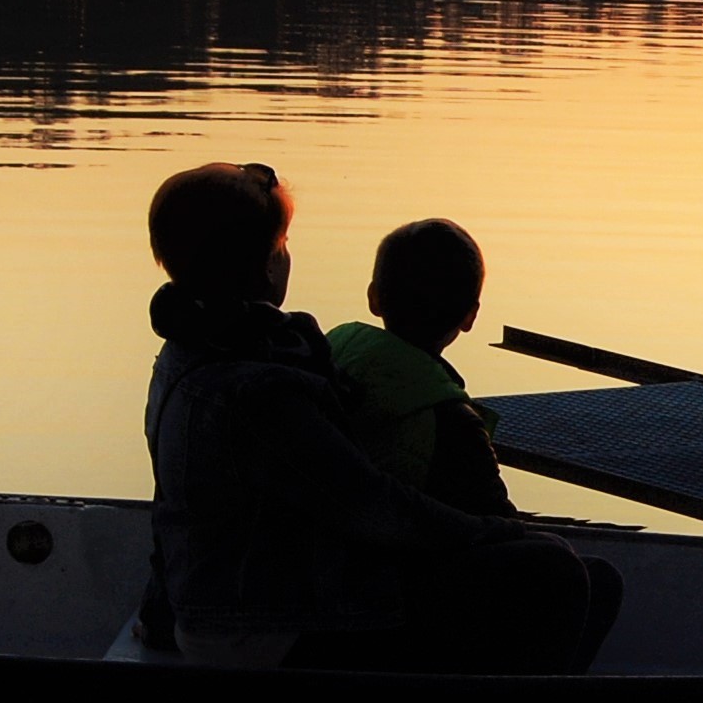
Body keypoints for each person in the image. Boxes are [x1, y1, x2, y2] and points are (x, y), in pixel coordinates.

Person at [140, 162, 618, 674]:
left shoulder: (192, 349)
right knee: (555, 570)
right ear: (264, 266)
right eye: (282, 243)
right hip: (265, 629)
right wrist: (491, 532)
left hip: (256, 598)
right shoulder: (256, 391)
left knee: (588, 575)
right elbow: (368, 505)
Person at [325, 218, 516, 516]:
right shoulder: (454, 425)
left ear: (373, 297)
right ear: (470, 317)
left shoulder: (321, 356)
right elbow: (500, 525)